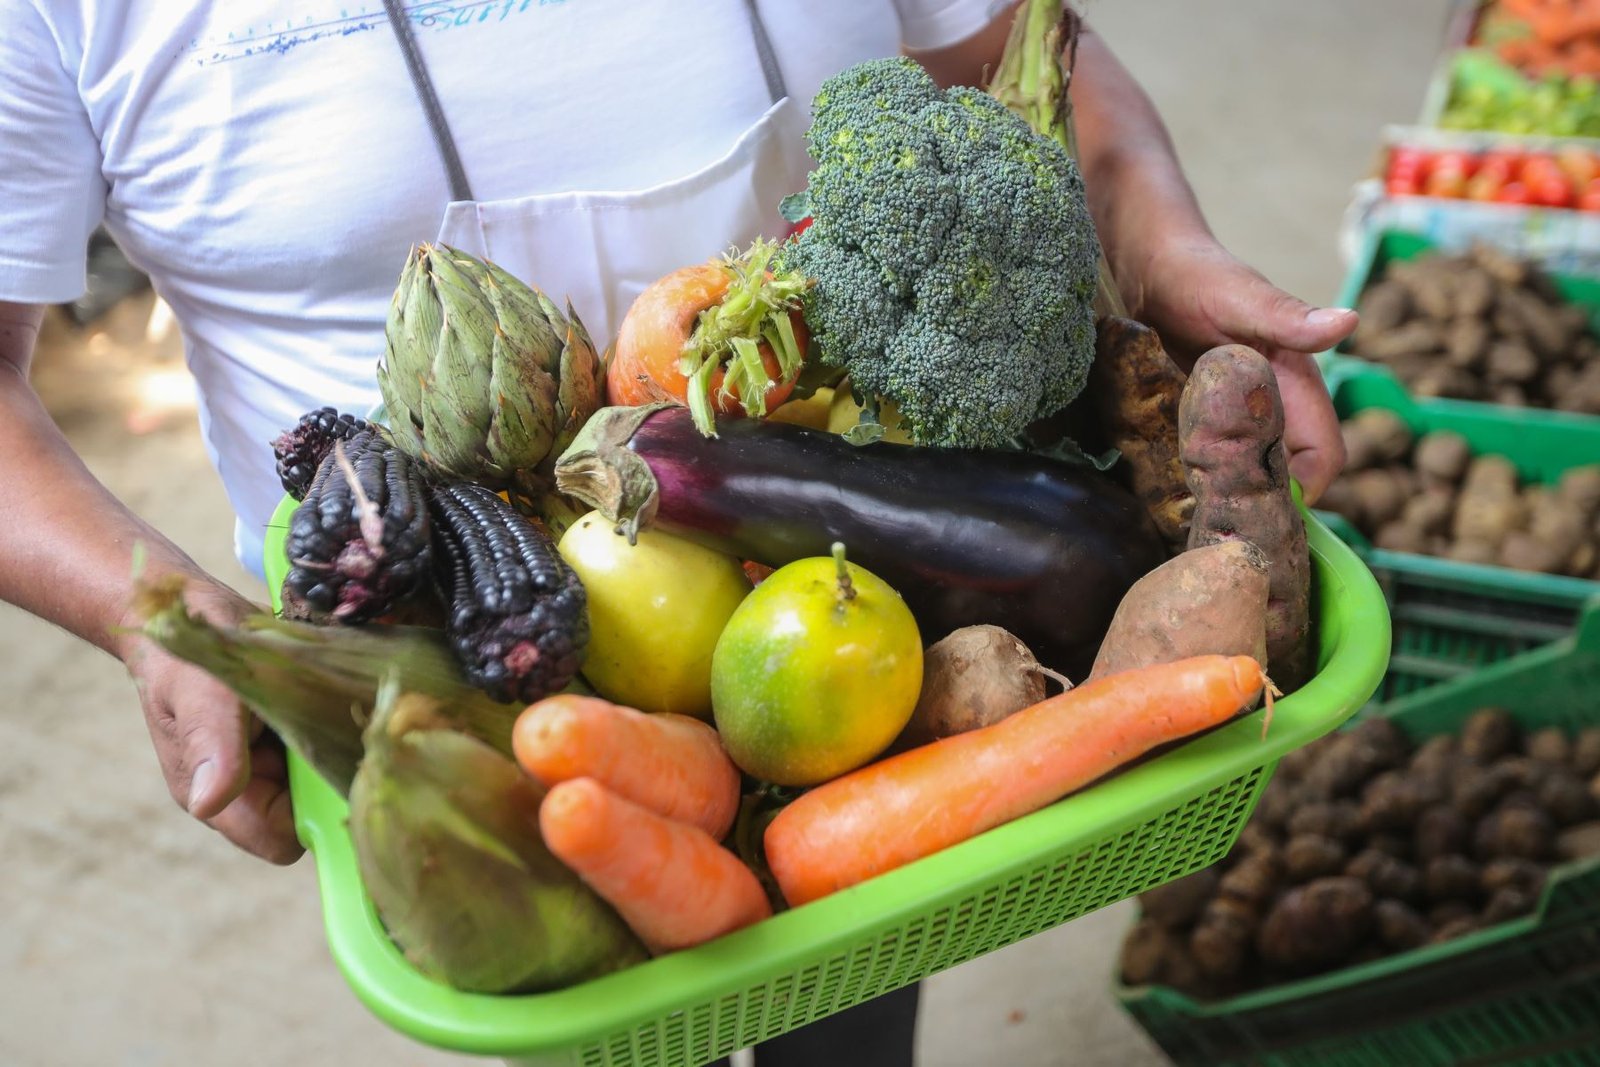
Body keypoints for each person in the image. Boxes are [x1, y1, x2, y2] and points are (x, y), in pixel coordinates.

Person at [0, 1, 1354, 1061]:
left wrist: (1162, 240)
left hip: (891, 583)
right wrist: (147, 613)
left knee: (865, 966)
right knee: (603, 1000)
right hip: (459, 671)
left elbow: (1028, 42)